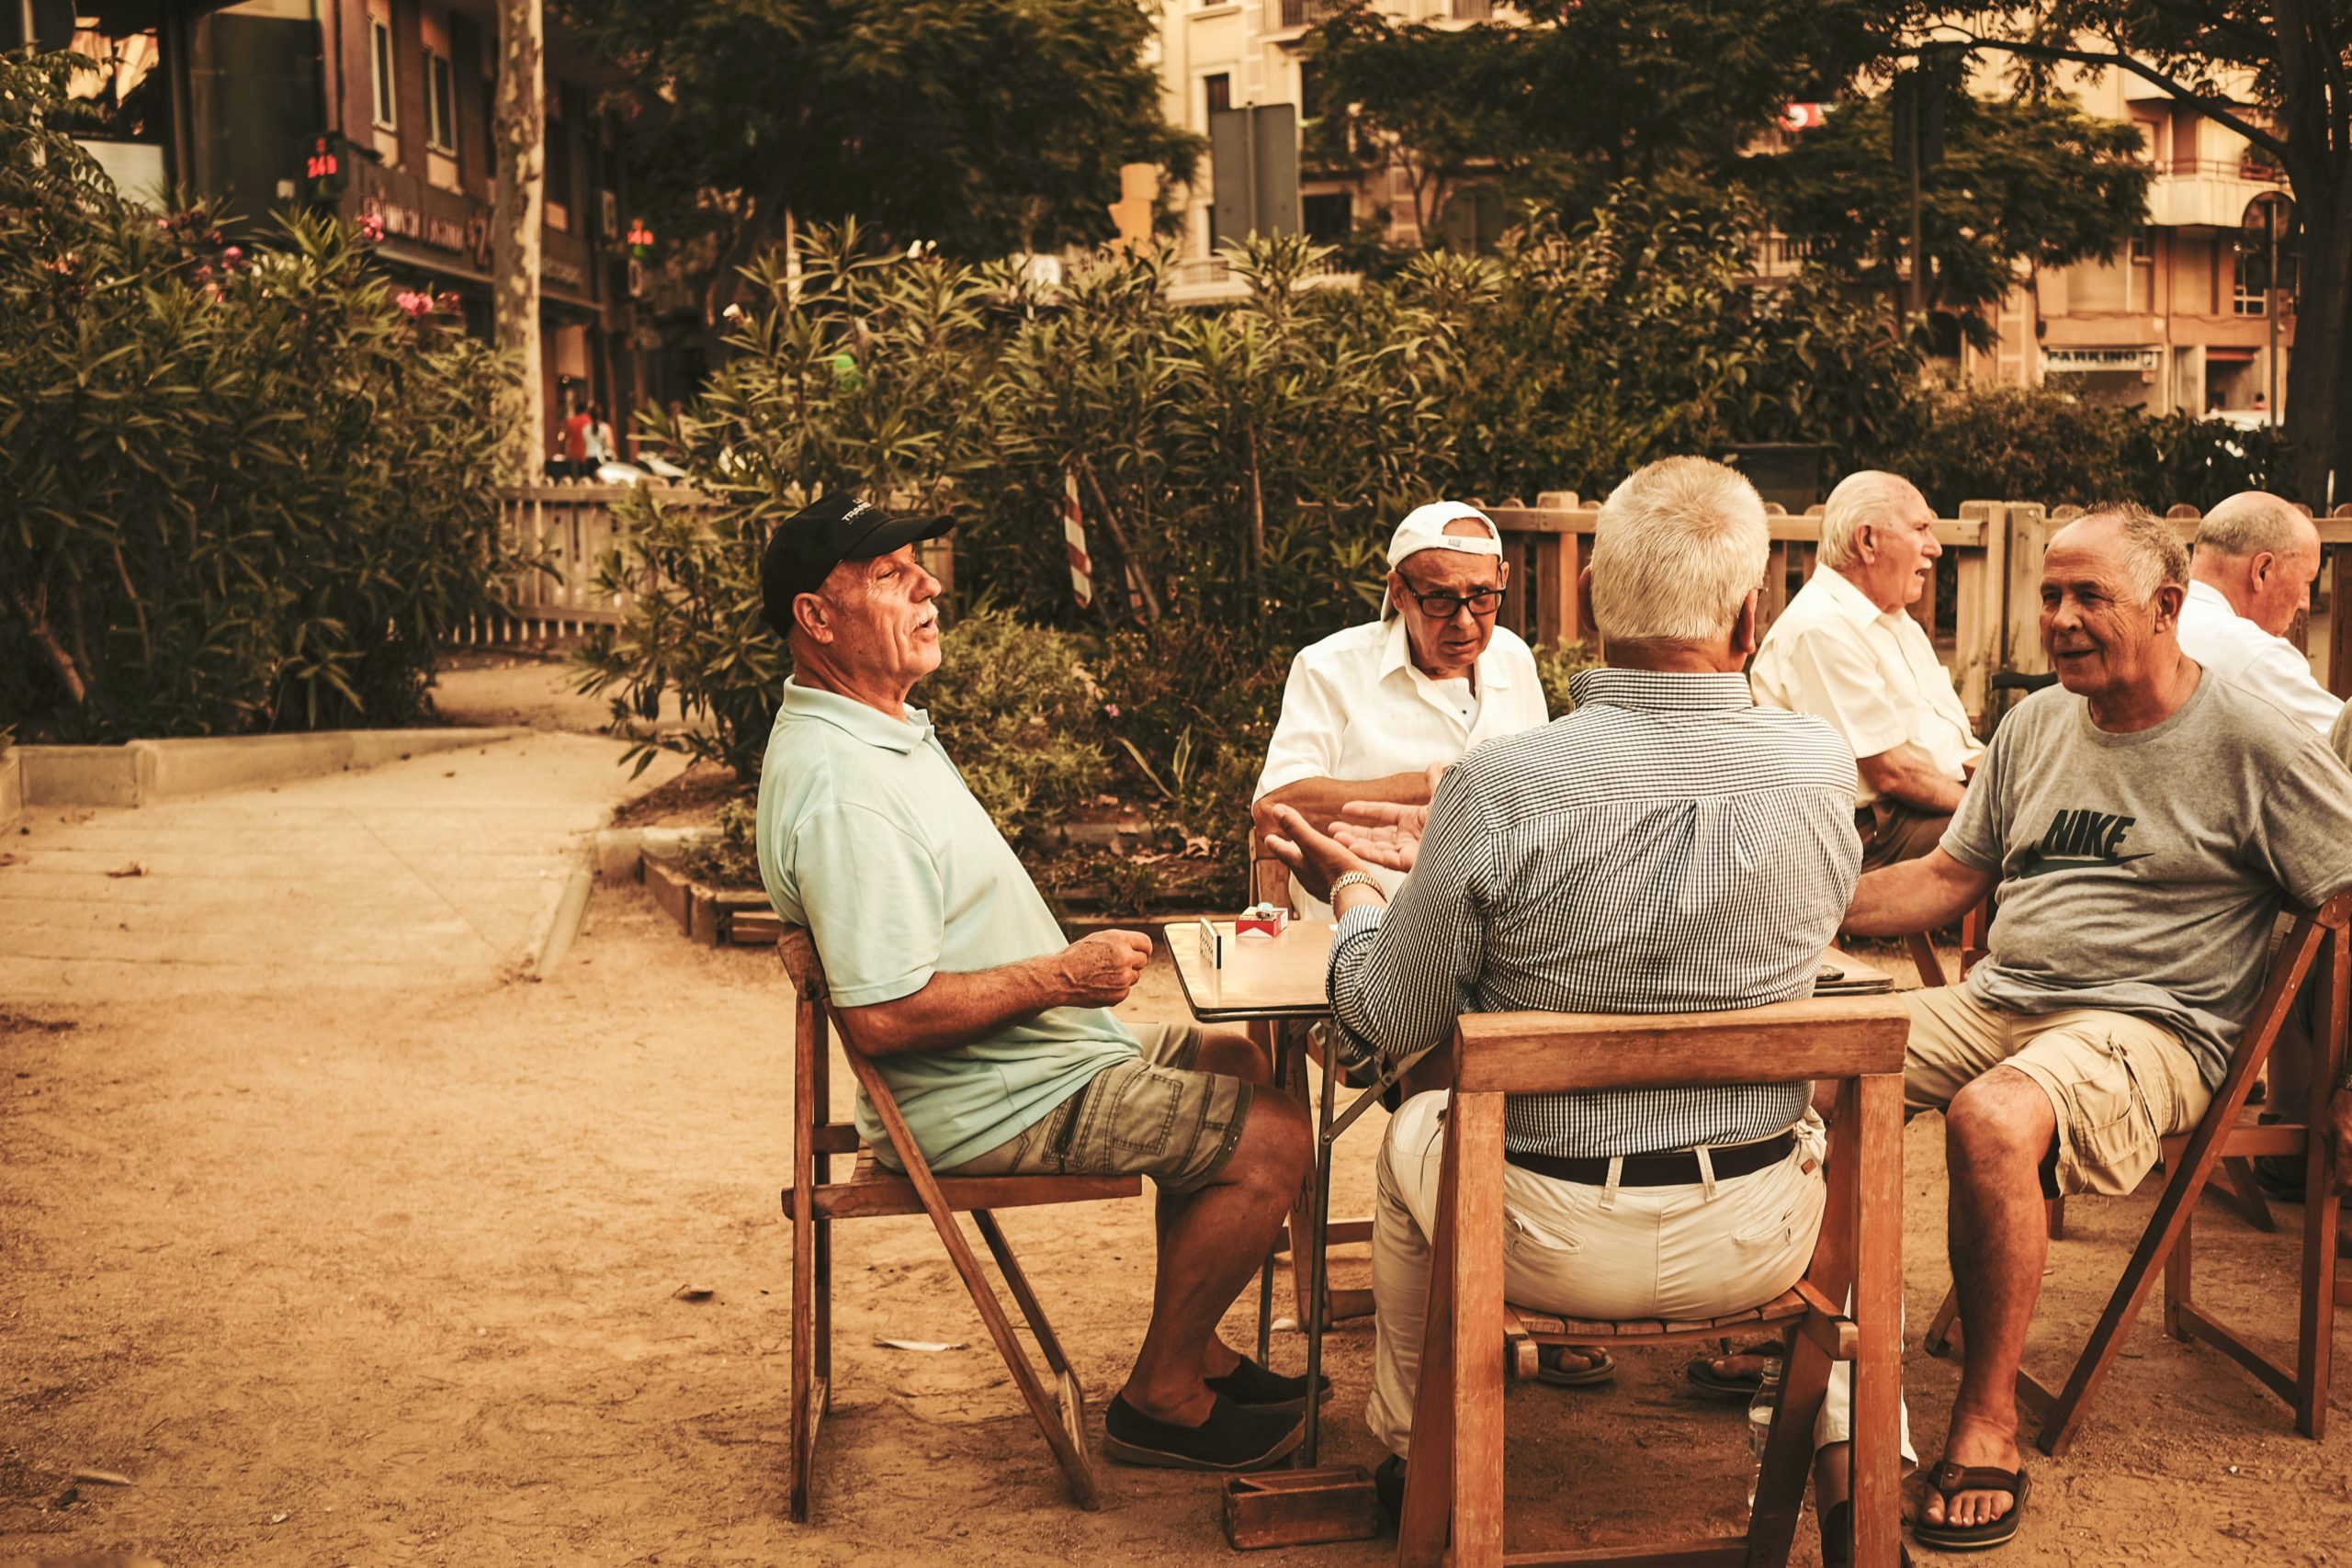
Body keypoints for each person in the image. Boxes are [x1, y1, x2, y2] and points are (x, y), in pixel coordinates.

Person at [1269, 457, 1888, 1562]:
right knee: (1835, 1158)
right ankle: (1850, 1473)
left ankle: (1420, 1460)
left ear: (1591, 596)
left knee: (1412, 1132)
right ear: (1751, 612)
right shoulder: (1816, 767)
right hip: (1759, 1231)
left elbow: (1381, 1025)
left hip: (1537, 1238)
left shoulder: (1499, 786)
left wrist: (1364, 894)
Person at [752, 493, 1317, 1473]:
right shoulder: (847, 786)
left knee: (1233, 1054)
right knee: (1274, 1140)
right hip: (983, 1099)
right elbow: (884, 1017)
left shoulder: (874, 729)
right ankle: (1160, 1398)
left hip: (1032, 1061)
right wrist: (1064, 973)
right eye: (891, 575)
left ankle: (1197, 1349)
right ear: (815, 616)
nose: (928, 588)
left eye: (919, 566)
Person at [1842, 504, 2352, 1551]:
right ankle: (1808, 1342)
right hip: (2001, 1002)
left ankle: (1985, 1426)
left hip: (2151, 1026)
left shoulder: (2254, 744)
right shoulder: (2034, 726)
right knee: (1804, 1064)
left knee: (1991, 1120)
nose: (2060, 620)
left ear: (2166, 608)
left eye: (2087, 598)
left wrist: (2337, 1080)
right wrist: (1802, 904)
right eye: (2049, 596)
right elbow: (1946, 876)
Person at [1252, 502, 1547, 918]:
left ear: (1503, 579)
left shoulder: (1514, 658)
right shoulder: (1330, 668)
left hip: (1496, 942)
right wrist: (1442, 788)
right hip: (1362, 937)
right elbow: (1273, 813)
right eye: (1440, 599)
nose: (1464, 621)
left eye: (1481, 596)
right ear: (1398, 591)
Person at [1750, 471, 1984, 868]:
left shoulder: (1894, 618)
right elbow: (1891, 773)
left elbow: (1942, 745)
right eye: (1921, 528)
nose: (1936, 547)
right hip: (1874, 830)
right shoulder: (1821, 628)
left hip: (1926, 803)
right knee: (2024, 845)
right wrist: (1990, 812)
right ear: (1868, 541)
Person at [2177, 491, 2337, 736]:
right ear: (2262, 571)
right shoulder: (2249, 652)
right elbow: (2343, 740)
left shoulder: (2153, 618)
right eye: (2307, 581)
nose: (2305, 602)